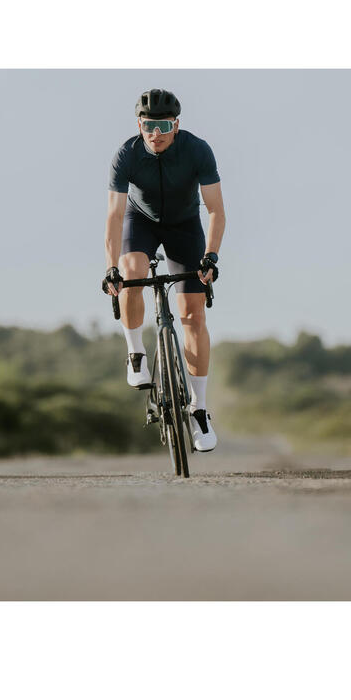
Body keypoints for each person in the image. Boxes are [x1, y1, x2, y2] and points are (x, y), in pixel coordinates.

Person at [102, 88, 226, 452]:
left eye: (163, 125)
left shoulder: (197, 150)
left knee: (192, 315)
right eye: (147, 125)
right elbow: (113, 216)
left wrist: (211, 256)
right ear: (139, 125)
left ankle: (199, 410)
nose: (155, 133)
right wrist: (111, 268)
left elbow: (216, 210)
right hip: (139, 222)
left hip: (185, 226)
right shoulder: (126, 154)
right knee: (131, 271)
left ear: (176, 125)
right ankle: (135, 351)